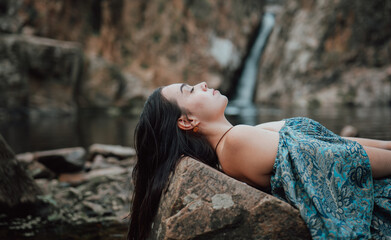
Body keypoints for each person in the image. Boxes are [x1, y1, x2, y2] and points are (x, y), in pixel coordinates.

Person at [127, 82, 391, 240]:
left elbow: (338, 145)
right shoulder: (237, 142)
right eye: (190, 90)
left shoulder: (246, 133)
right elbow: (345, 161)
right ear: (187, 121)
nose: (203, 84)